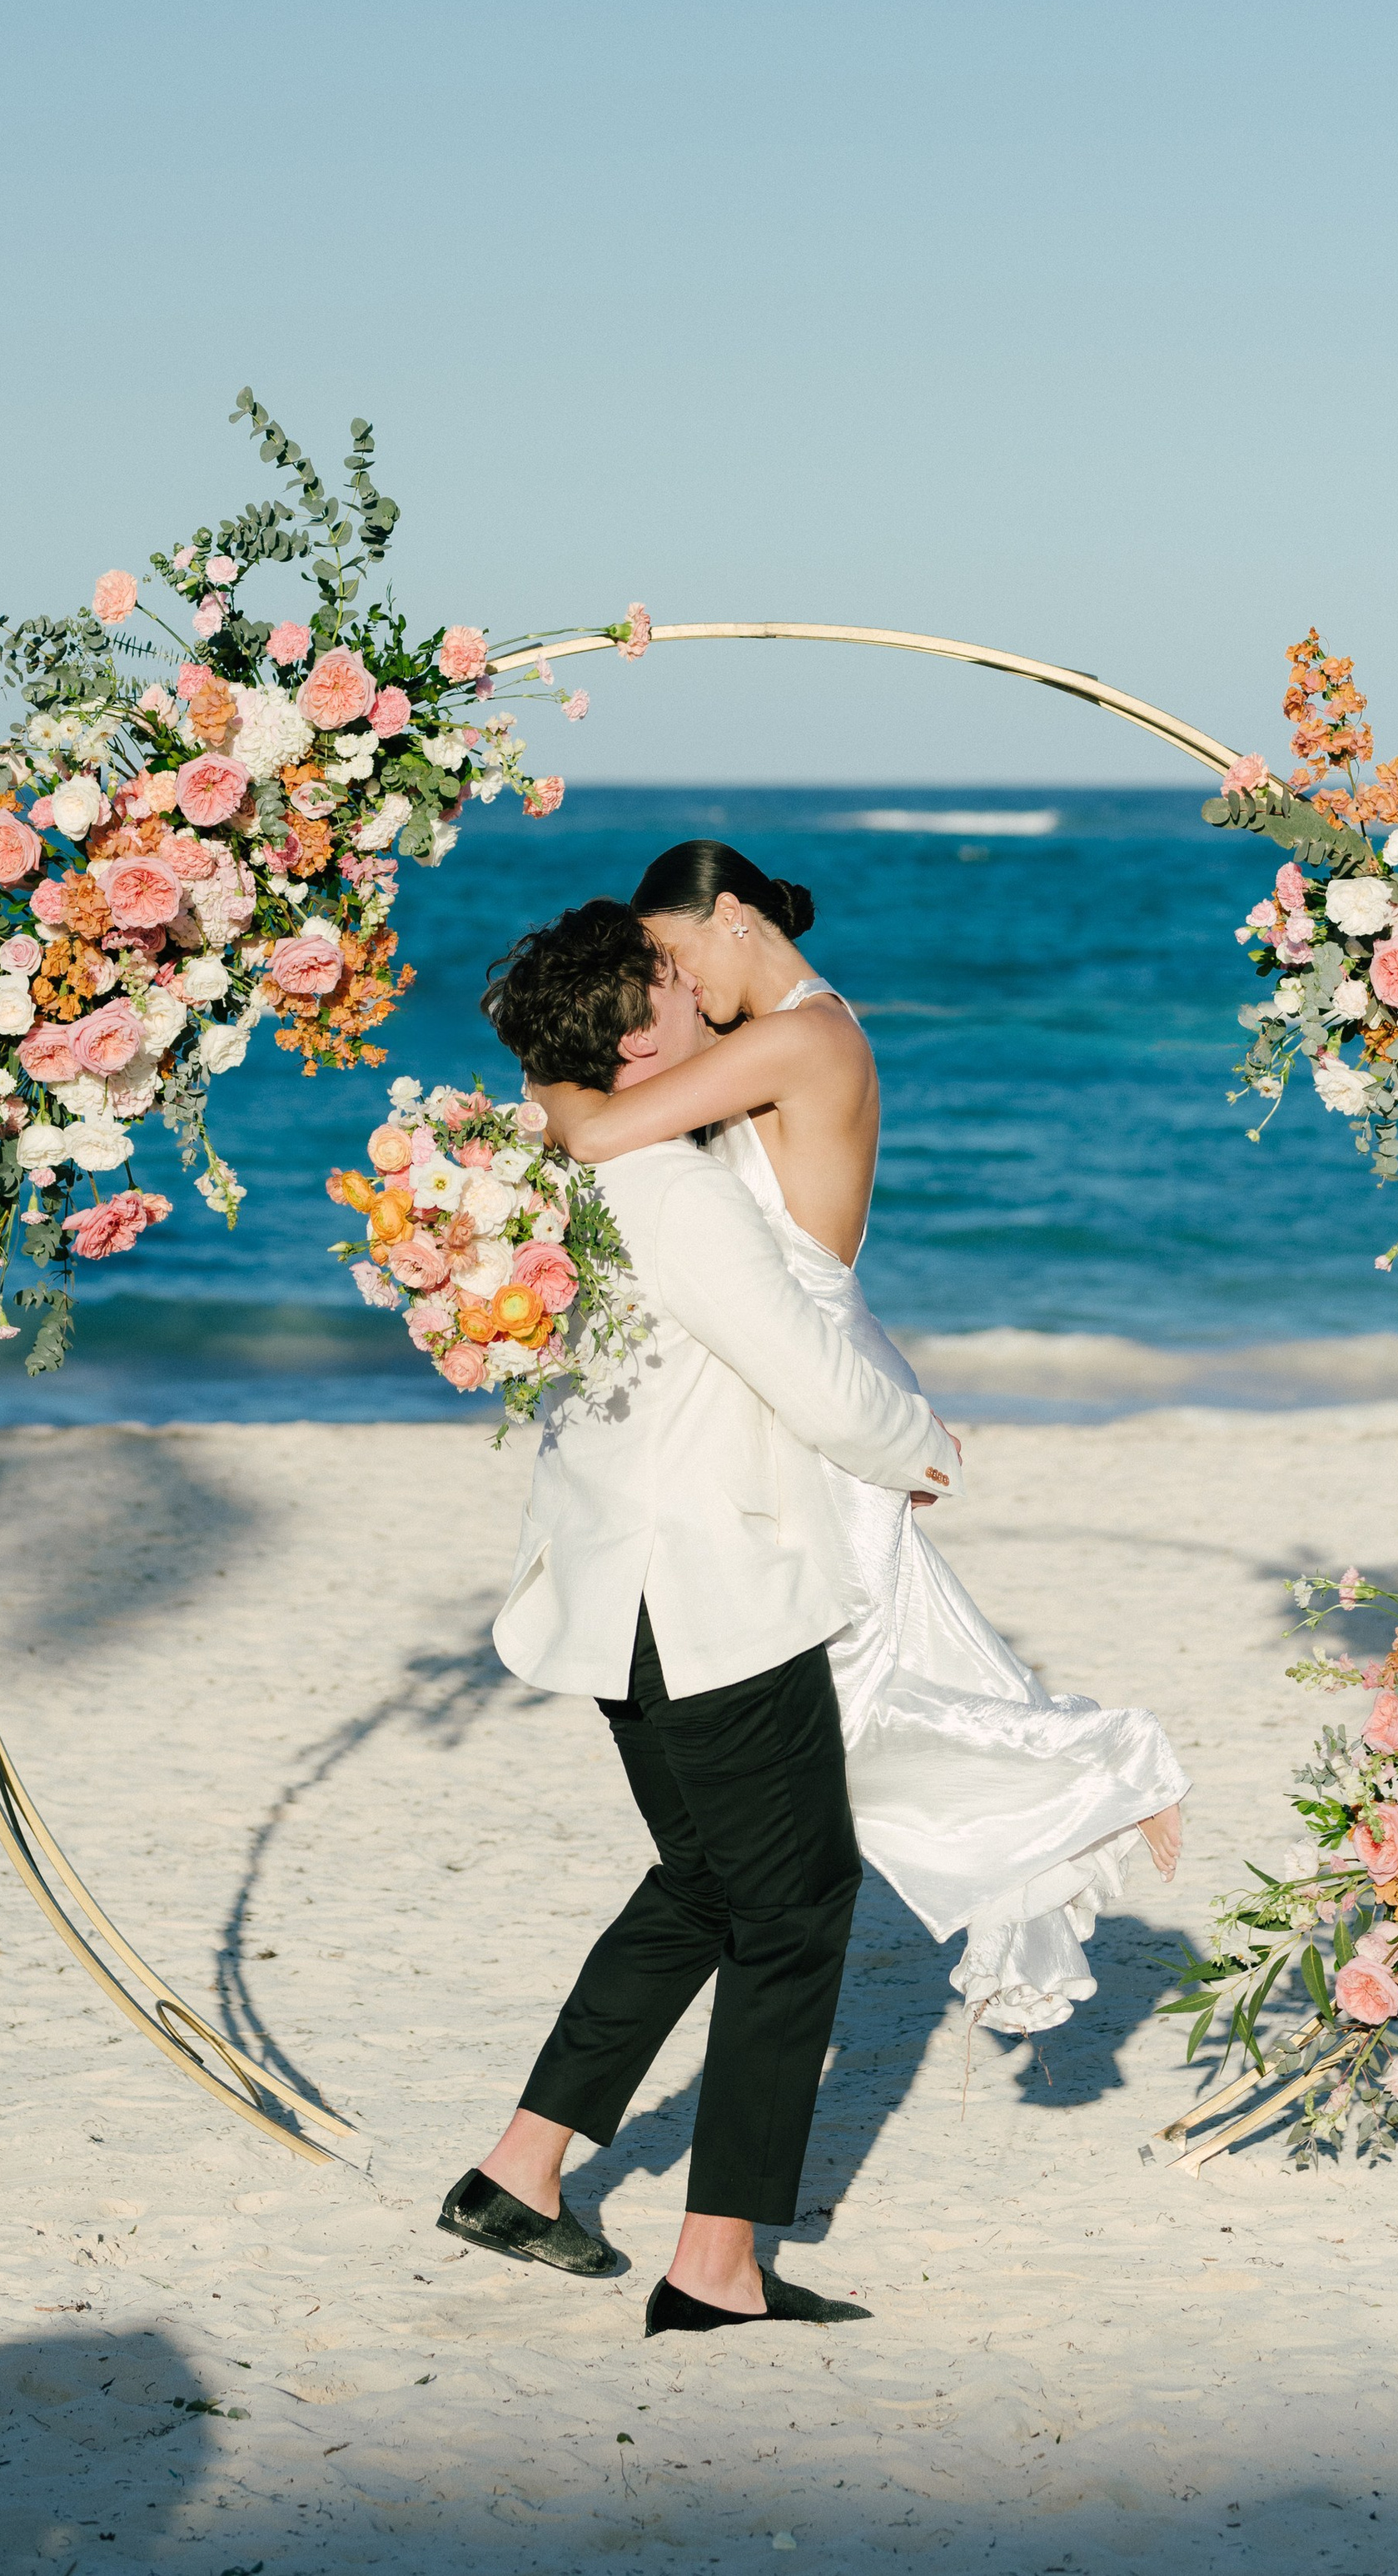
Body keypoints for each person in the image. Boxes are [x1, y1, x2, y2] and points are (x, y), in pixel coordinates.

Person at [530, 838, 1187, 2035]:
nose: (663, 993)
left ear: (733, 918)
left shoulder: (804, 1036)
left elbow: (595, 1131)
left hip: (811, 1397)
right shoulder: (763, 1041)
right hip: (800, 1377)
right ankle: (1075, 1786)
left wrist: (542, 1061)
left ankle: (1105, 1772)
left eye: (668, 958)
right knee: (857, 1693)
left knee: (849, 1697)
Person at [439, 898, 965, 2337]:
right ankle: (716, 2262)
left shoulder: (573, 1159)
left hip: (621, 1581)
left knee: (707, 1882)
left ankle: (519, 2173)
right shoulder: (669, 1183)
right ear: (633, 1036)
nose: (700, 1008)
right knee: (798, 1909)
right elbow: (804, 1369)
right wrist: (923, 1448)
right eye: (671, 990)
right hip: (707, 1593)